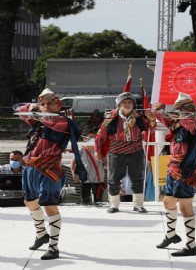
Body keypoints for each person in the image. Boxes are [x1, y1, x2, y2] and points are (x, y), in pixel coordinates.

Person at [17, 88, 86, 260]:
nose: (46, 107)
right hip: (31, 167)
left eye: (50, 103)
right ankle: (41, 234)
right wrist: (31, 107)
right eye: (43, 104)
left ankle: (54, 246)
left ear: (59, 105)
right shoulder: (39, 120)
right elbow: (19, 110)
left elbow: (47, 120)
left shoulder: (62, 121)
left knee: (49, 205)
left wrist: (37, 111)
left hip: (48, 169)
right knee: (29, 201)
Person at [152, 92, 196, 257]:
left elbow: (187, 123)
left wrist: (169, 114)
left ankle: (191, 245)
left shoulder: (193, 124)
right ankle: (171, 235)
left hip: (186, 170)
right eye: (178, 108)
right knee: (168, 202)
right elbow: (160, 116)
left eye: (184, 107)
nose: (180, 111)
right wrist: (159, 109)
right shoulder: (177, 123)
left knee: (185, 208)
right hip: (173, 168)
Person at [95, 92, 155, 213]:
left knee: (138, 178)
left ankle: (138, 204)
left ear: (133, 104)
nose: (127, 105)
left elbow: (151, 130)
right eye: (124, 102)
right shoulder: (111, 118)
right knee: (113, 179)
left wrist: (152, 119)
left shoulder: (139, 118)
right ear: (119, 105)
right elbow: (100, 135)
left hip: (136, 151)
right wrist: (97, 150)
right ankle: (114, 205)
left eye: (130, 102)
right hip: (116, 152)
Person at [71, 130, 105, 205]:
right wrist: (74, 174)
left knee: (98, 202)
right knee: (85, 201)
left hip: (99, 179)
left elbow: (106, 162)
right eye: (90, 137)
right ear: (84, 139)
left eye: (94, 137)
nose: (93, 139)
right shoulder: (80, 150)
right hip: (85, 179)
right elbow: (73, 163)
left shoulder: (100, 150)